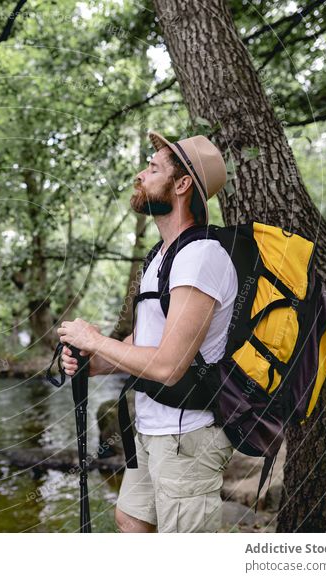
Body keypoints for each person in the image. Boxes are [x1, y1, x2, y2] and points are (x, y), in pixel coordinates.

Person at [57, 131, 237, 533]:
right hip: (152, 426)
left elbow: (170, 366)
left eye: (153, 168)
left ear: (181, 184)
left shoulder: (200, 256)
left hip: (188, 435)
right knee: (132, 521)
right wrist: (93, 362)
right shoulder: (160, 256)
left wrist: (93, 339)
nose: (140, 174)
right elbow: (143, 346)